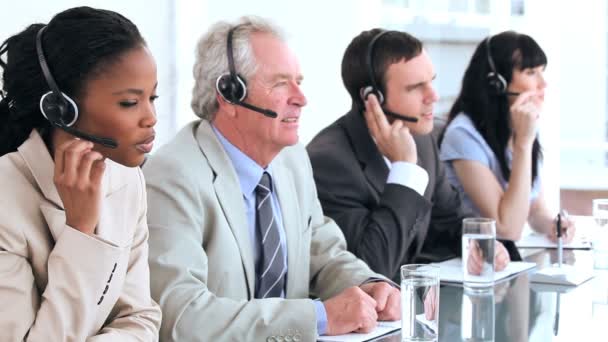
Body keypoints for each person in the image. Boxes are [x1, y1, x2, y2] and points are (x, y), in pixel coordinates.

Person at [144, 16, 400, 341]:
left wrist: (367, 284)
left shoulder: (291, 159)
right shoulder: (173, 175)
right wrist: (319, 317)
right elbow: (180, 316)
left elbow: (322, 252)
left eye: (299, 81)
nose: (301, 98)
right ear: (230, 94)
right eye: (281, 83)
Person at [0, 6, 161, 341]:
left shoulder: (128, 181)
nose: (151, 118)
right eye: (130, 103)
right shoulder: (5, 198)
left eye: (152, 97)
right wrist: (81, 231)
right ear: (60, 108)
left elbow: (141, 318)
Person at [306, 29, 510, 283]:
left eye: (431, 81)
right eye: (415, 88)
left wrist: (479, 245)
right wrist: (404, 170)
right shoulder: (328, 162)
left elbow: (448, 221)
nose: (433, 96)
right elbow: (371, 267)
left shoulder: (422, 140)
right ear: (373, 98)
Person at [439, 31, 575, 243]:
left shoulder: (519, 127)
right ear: (497, 83)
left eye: (542, 71)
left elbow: (533, 208)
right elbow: (507, 229)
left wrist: (552, 224)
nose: (543, 84)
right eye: (531, 72)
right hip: (470, 262)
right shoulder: (463, 135)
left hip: (504, 261)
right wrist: (523, 144)